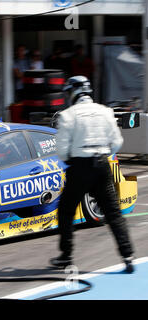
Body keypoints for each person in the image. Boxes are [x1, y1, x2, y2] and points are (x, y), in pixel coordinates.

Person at [50, 76, 135, 273]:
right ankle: (128, 255)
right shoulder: (105, 112)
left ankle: (66, 256)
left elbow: (62, 151)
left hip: (80, 166)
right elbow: (117, 143)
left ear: (73, 92)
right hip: (102, 164)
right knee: (113, 212)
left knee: (66, 211)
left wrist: (75, 159)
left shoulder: (68, 115)